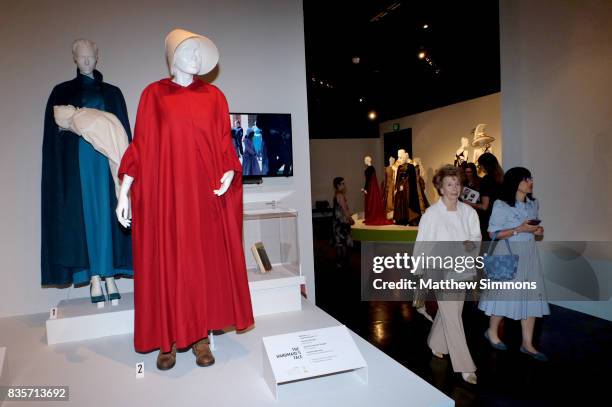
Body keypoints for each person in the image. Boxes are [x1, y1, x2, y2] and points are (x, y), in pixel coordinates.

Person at [414, 165, 480, 384]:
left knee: (450, 313)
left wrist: (469, 245)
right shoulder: (431, 214)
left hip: (462, 269)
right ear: (440, 188)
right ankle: (465, 367)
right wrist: (419, 273)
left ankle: (436, 343)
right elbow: (422, 244)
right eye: (449, 184)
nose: (454, 188)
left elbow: (476, 238)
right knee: (453, 317)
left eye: (457, 183)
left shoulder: (469, 212)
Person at [479, 167, 549, 361]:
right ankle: (492, 332)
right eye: (526, 178)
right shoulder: (501, 205)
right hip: (507, 252)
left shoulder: (533, 204)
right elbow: (493, 234)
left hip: (529, 255)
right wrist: (519, 229)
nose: (530, 182)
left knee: (531, 296)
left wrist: (537, 231)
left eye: (531, 178)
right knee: (502, 295)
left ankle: (527, 343)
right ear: (515, 182)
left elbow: (535, 230)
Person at [473, 153, 503, 240]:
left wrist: (470, 204)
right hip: (501, 220)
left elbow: (484, 206)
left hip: (489, 221)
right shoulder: (502, 178)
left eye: (479, 166)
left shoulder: (486, 180)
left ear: (484, 165)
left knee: (487, 250)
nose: (480, 168)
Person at [332, 177, 354, 267]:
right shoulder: (340, 195)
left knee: (339, 244)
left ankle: (340, 263)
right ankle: (343, 263)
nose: (344, 186)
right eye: (343, 184)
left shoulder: (336, 194)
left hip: (337, 223)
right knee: (343, 244)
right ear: (338, 185)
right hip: (342, 223)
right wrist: (350, 219)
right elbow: (344, 209)